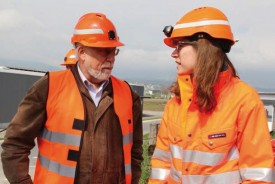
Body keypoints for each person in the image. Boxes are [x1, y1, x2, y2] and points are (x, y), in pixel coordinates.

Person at [1, 12, 143, 184]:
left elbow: (135, 153)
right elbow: (15, 146)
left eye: (114, 51)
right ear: (82, 52)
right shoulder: (49, 87)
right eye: (104, 51)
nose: (111, 58)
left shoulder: (128, 94)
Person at [149, 6, 274, 184]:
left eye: (180, 45)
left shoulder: (244, 100)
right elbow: (162, 165)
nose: (174, 53)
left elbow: (257, 176)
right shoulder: (175, 104)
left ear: (203, 47)